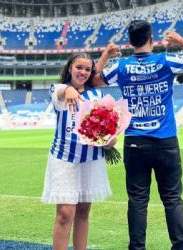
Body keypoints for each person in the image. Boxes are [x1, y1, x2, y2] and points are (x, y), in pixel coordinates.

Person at [64, 20, 183, 250]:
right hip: (165, 141)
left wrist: (106, 54)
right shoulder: (165, 61)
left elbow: (93, 80)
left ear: (130, 43)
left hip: (135, 143)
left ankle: (137, 248)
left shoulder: (121, 66)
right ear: (151, 39)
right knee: (172, 200)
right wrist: (181, 41)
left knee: (138, 202)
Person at [41, 48, 118, 250]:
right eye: (78, 67)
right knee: (66, 213)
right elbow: (58, 92)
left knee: (83, 211)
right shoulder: (58, 89)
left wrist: (110, 141)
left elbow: (105, 128)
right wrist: (67, 90)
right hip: (64, 159)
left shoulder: (97, 94)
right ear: (69, 68)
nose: (82, 72)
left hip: (91, 159)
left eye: (86, 69)